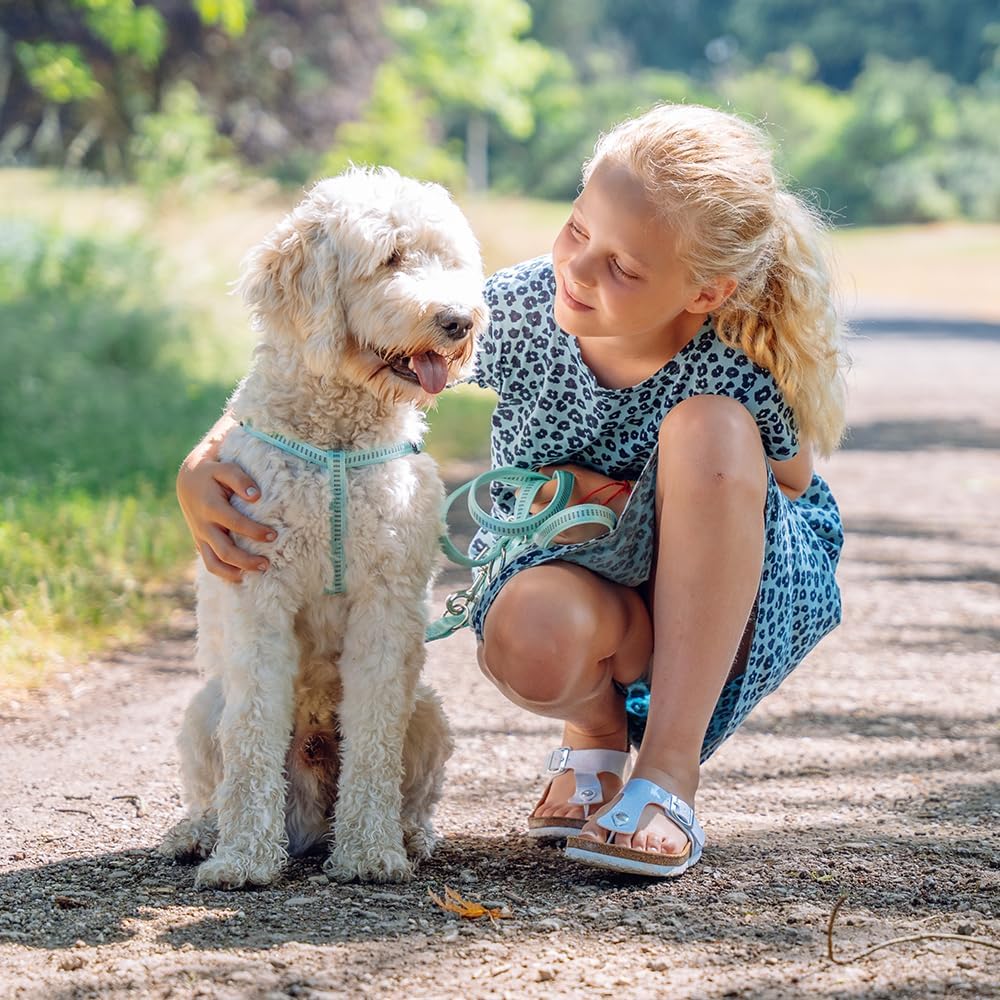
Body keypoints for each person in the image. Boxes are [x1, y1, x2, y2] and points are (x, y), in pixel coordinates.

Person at [177, 103, 847, 878]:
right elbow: (340, 356)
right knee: (532, 626)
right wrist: (203, 460)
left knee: (710, 431)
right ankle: (594, 738)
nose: (580, 270)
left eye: (624, 268)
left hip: (722, 600)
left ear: (704, 293)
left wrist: (642, 491)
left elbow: (790, 481)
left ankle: (667, 776)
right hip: (596, 594)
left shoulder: (728, 358)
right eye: (576, 230)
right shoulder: (525, 310)